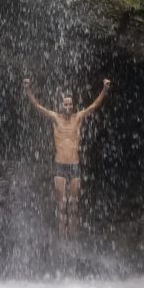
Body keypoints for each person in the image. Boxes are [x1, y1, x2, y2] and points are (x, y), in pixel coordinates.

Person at [23, 76, 111, 237]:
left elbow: (95, 105)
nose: (68, 106)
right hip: (59, 165)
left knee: (74, 204)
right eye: (66, 103)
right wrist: (28, 89)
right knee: (61, 204)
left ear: (73, 105)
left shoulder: (78, 117)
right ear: (61, 105)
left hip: (75, 165)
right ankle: (62, 238)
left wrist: (105, 90)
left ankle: (73, 239)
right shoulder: (56, 118)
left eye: (70, 103)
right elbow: (37, 106)